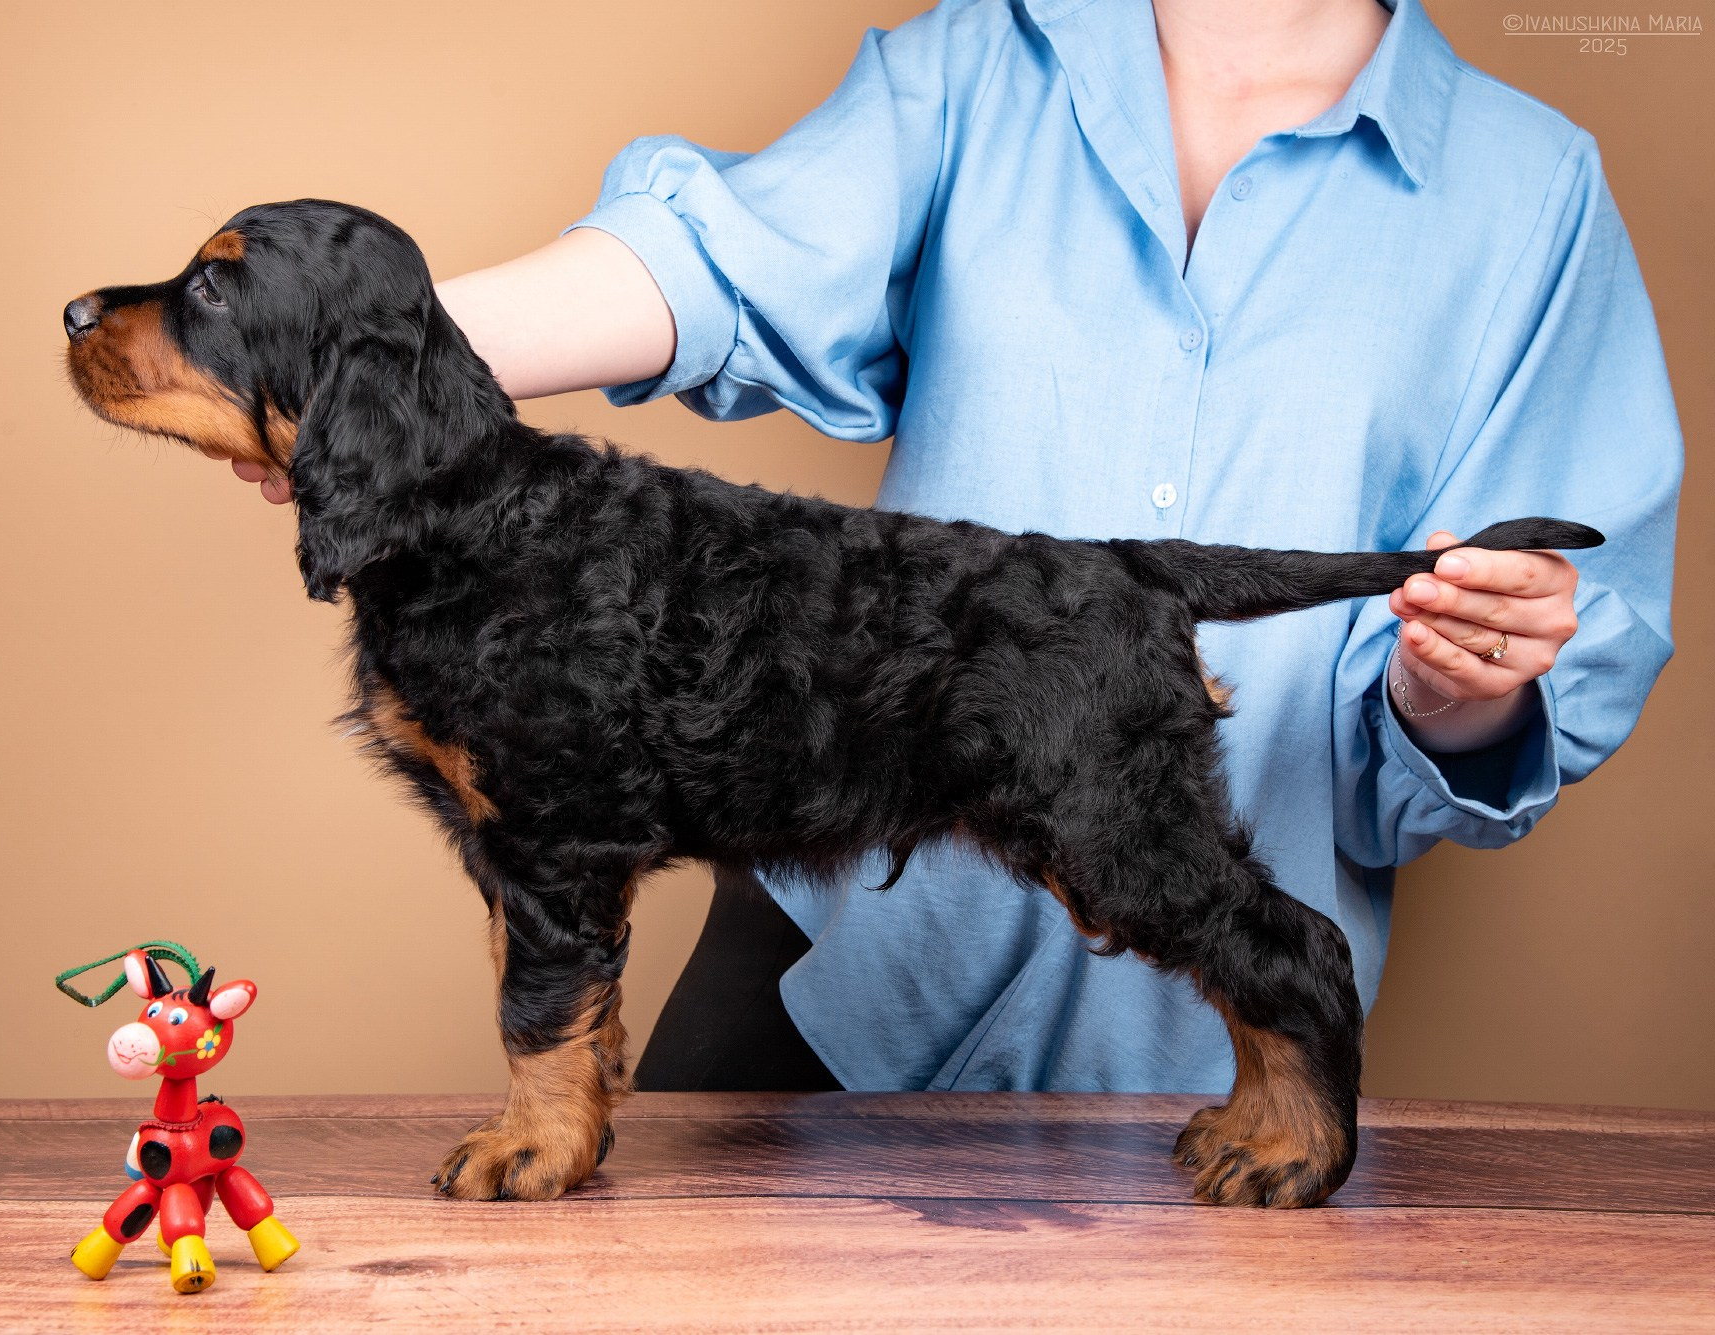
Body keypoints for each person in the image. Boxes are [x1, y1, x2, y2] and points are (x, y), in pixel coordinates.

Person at [237, 0, 1681, 1095]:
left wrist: (1464, 683)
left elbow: (1547, 643)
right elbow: (715, 261)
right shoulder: (976, 63)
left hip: (1182, 1044)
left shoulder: (1530, 190)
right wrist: (376, 373)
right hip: (834, 971)